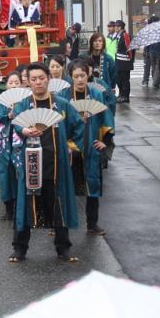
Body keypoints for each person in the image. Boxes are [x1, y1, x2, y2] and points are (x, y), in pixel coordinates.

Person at [9, 62, 84, 263]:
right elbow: (15, 127)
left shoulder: (62, 104)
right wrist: (24, 131)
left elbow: (78, 127)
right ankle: (19, 248)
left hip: (56, 164)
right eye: (33, 79)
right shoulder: (23, 105)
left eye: (41, 78)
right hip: (31, 164)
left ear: (48, 79)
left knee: (59, 203)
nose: (38, 82)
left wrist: (70, 146)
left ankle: (63, 247)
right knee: (26, 204)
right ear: (28, 82)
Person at [60, 59, 115, 235]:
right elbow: (59, 122)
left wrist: (105, 141)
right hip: (70, 147)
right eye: (76, 76)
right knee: (66, 186)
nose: (80, 79)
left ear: (88, 75)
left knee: (93, 185)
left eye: (82, 75)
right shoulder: (63, 96)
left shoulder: (96, 94)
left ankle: (92, 224)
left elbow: (106, 117)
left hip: (91, 146)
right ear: (70, 77)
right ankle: (61, 223)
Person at [0, 71, 22, 221]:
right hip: (5, 142)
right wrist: (8, 116)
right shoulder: (0, 101)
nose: (14, 85)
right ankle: (8, 207)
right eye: (11, 82)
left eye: (17, 82)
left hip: (20, 141)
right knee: (5, 174)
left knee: (20, 173)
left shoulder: (26, 100)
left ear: (21, 84)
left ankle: (21, 206)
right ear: (6, 85)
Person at [83, 33, 117, 116]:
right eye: (95, 41)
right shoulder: (84, 57)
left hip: (104, 91)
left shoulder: (108, 59)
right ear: (91, 43)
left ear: (103, 43)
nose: (97, 43)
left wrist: (110, 89)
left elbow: (113, 76)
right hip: (87, 90)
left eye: (100, 41)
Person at [110, 20, 133, 103]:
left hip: (125, 62)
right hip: (119, 61)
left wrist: (130, 60)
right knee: (119, 79)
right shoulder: (118, 35)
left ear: (120, 27)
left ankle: (125, 96)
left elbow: (130, 49)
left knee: (124, 80)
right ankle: (121, 94)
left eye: (116, 26)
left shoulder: (125, 35)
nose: (115, 28)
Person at [142, 15, 160, 87]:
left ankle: (146, 81)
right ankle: (155, 81)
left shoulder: (148, 29)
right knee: (155, 67)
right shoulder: (158, 29)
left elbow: (146, 41)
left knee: (149, 66)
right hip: (155, 51)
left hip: (149, 50)